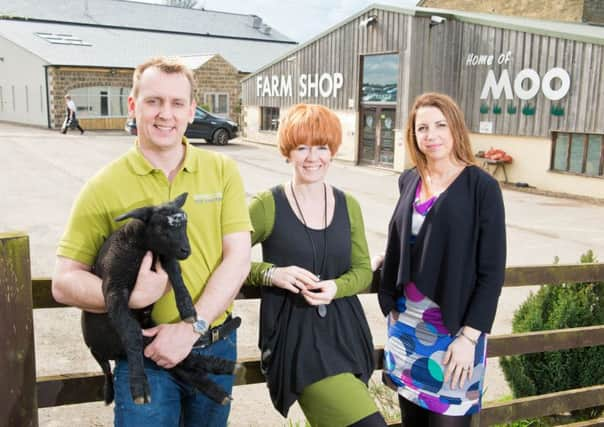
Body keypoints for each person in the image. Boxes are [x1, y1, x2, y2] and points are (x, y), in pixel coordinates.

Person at [51, 56, 252, 427]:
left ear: (192, 111)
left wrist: (193, 328)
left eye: (177, 103)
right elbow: (64, 282)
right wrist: (131, 297)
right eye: (154, 101)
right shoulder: (104, 186)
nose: (166, 114)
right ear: (133, 105)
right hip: (143, 352)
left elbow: (238, 257)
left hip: (214, 341)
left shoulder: (223, 171)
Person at [246, 104, 387, 427]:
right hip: (298, 342)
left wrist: (337, 287)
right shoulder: (267, 205)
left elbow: (363, 270)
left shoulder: (348, 204)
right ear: (288, 152)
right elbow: (224, 258)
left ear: (332, 151)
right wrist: (270, 274)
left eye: (322, 147)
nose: (313, 157)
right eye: (302, 147)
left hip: (347, 334)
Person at [378, 92, 506, 426]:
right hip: (405, 329)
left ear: (455, 129)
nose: (431, 135)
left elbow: (492, 272)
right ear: (413, 134)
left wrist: (468, 338)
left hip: (453, 334)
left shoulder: (482, 187)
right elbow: (418, 237)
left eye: (440, 125)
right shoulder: (409, 179)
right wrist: (393, 256)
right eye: (422, 128)